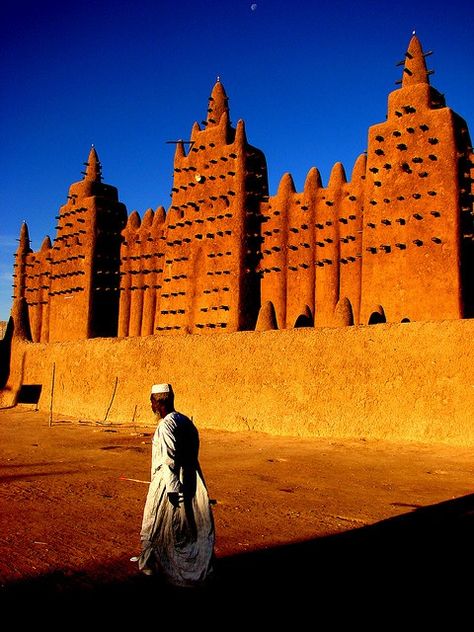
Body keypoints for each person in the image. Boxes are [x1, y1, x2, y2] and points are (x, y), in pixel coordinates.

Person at [135, 383, 215, 587]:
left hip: (168, 485)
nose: (151, 405)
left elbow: (168, 461)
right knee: (188, 527)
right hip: (190, 481)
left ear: (159, 402)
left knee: (158, 526)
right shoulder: (184, 421)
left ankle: (166, 570)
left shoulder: (166, 426)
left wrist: (172, 490)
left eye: (152, 401)